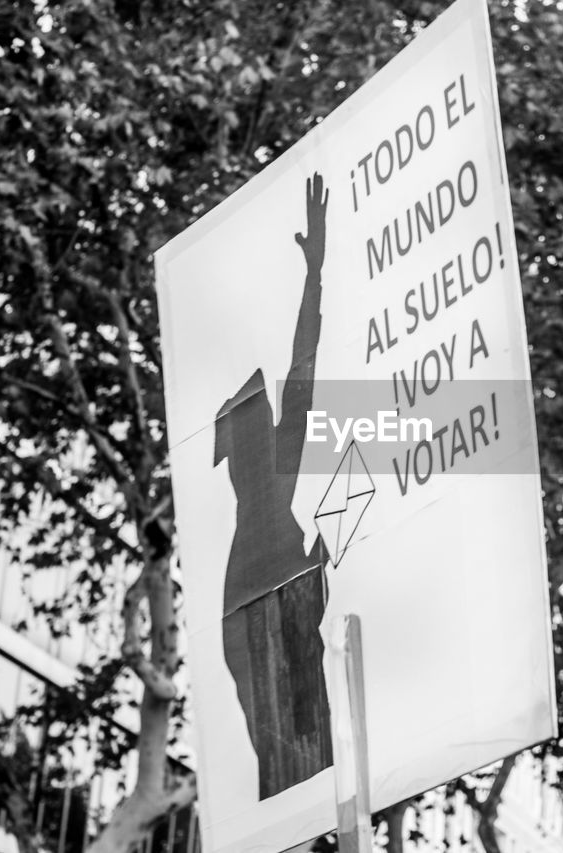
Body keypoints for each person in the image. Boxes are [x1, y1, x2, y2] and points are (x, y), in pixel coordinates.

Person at [213, 173, 332, 800]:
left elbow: (302, 366)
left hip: (264, 586)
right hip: (255, 592)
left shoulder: (272, 470)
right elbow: (301, 370)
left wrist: (315, 276)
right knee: (286, 744)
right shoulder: (268, 474)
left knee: (298, 739)